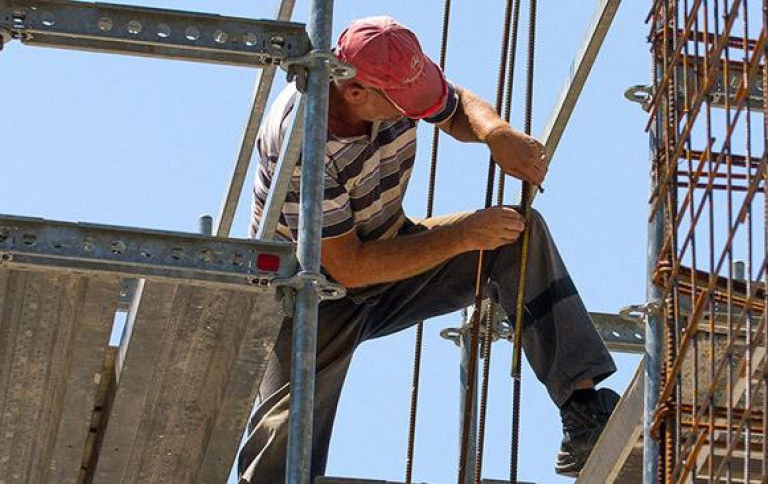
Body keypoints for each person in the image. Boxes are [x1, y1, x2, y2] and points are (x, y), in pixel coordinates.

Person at [239, 16, 619, 482]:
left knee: (515, 236)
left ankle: (582, 411)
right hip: (308, 296)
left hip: (389, 248)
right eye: (402, 105)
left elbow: (454, 106)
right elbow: (349, 266)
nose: (411, 113)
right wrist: (463, 235)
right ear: (355, 92)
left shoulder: (390, 84)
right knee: (283, 450)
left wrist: (495, 134)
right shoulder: (302, 140)